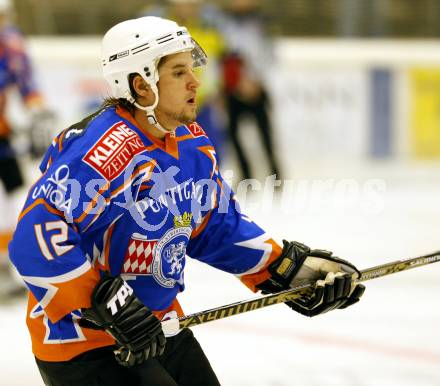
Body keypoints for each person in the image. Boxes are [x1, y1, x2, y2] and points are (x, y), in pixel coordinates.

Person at [8, 16, 365, 386]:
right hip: (85, 345)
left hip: (158, 325)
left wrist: (284, 267)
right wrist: (105, 301)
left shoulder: (191, 141)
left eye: (192, 68)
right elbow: (33, 243)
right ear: (141, 85)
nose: (196, 81)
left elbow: (212, 224)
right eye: (179, 72)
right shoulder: (100, 153)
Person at [0, 0, 54, 299]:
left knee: (9, 199)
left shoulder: (10, 44)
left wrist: (36, 111)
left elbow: (26, 83)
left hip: (2, 134)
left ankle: (2, 266)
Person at [219, 0, 281, 181]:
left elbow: (270, 55)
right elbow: (222, 54)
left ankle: (276, 176)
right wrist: (234, 83)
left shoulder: (263, 22)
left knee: (266, 135)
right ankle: (246, 177)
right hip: (232, 88)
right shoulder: (222, 22)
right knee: (233, 135)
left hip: (256, 86)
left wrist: (254, 79)